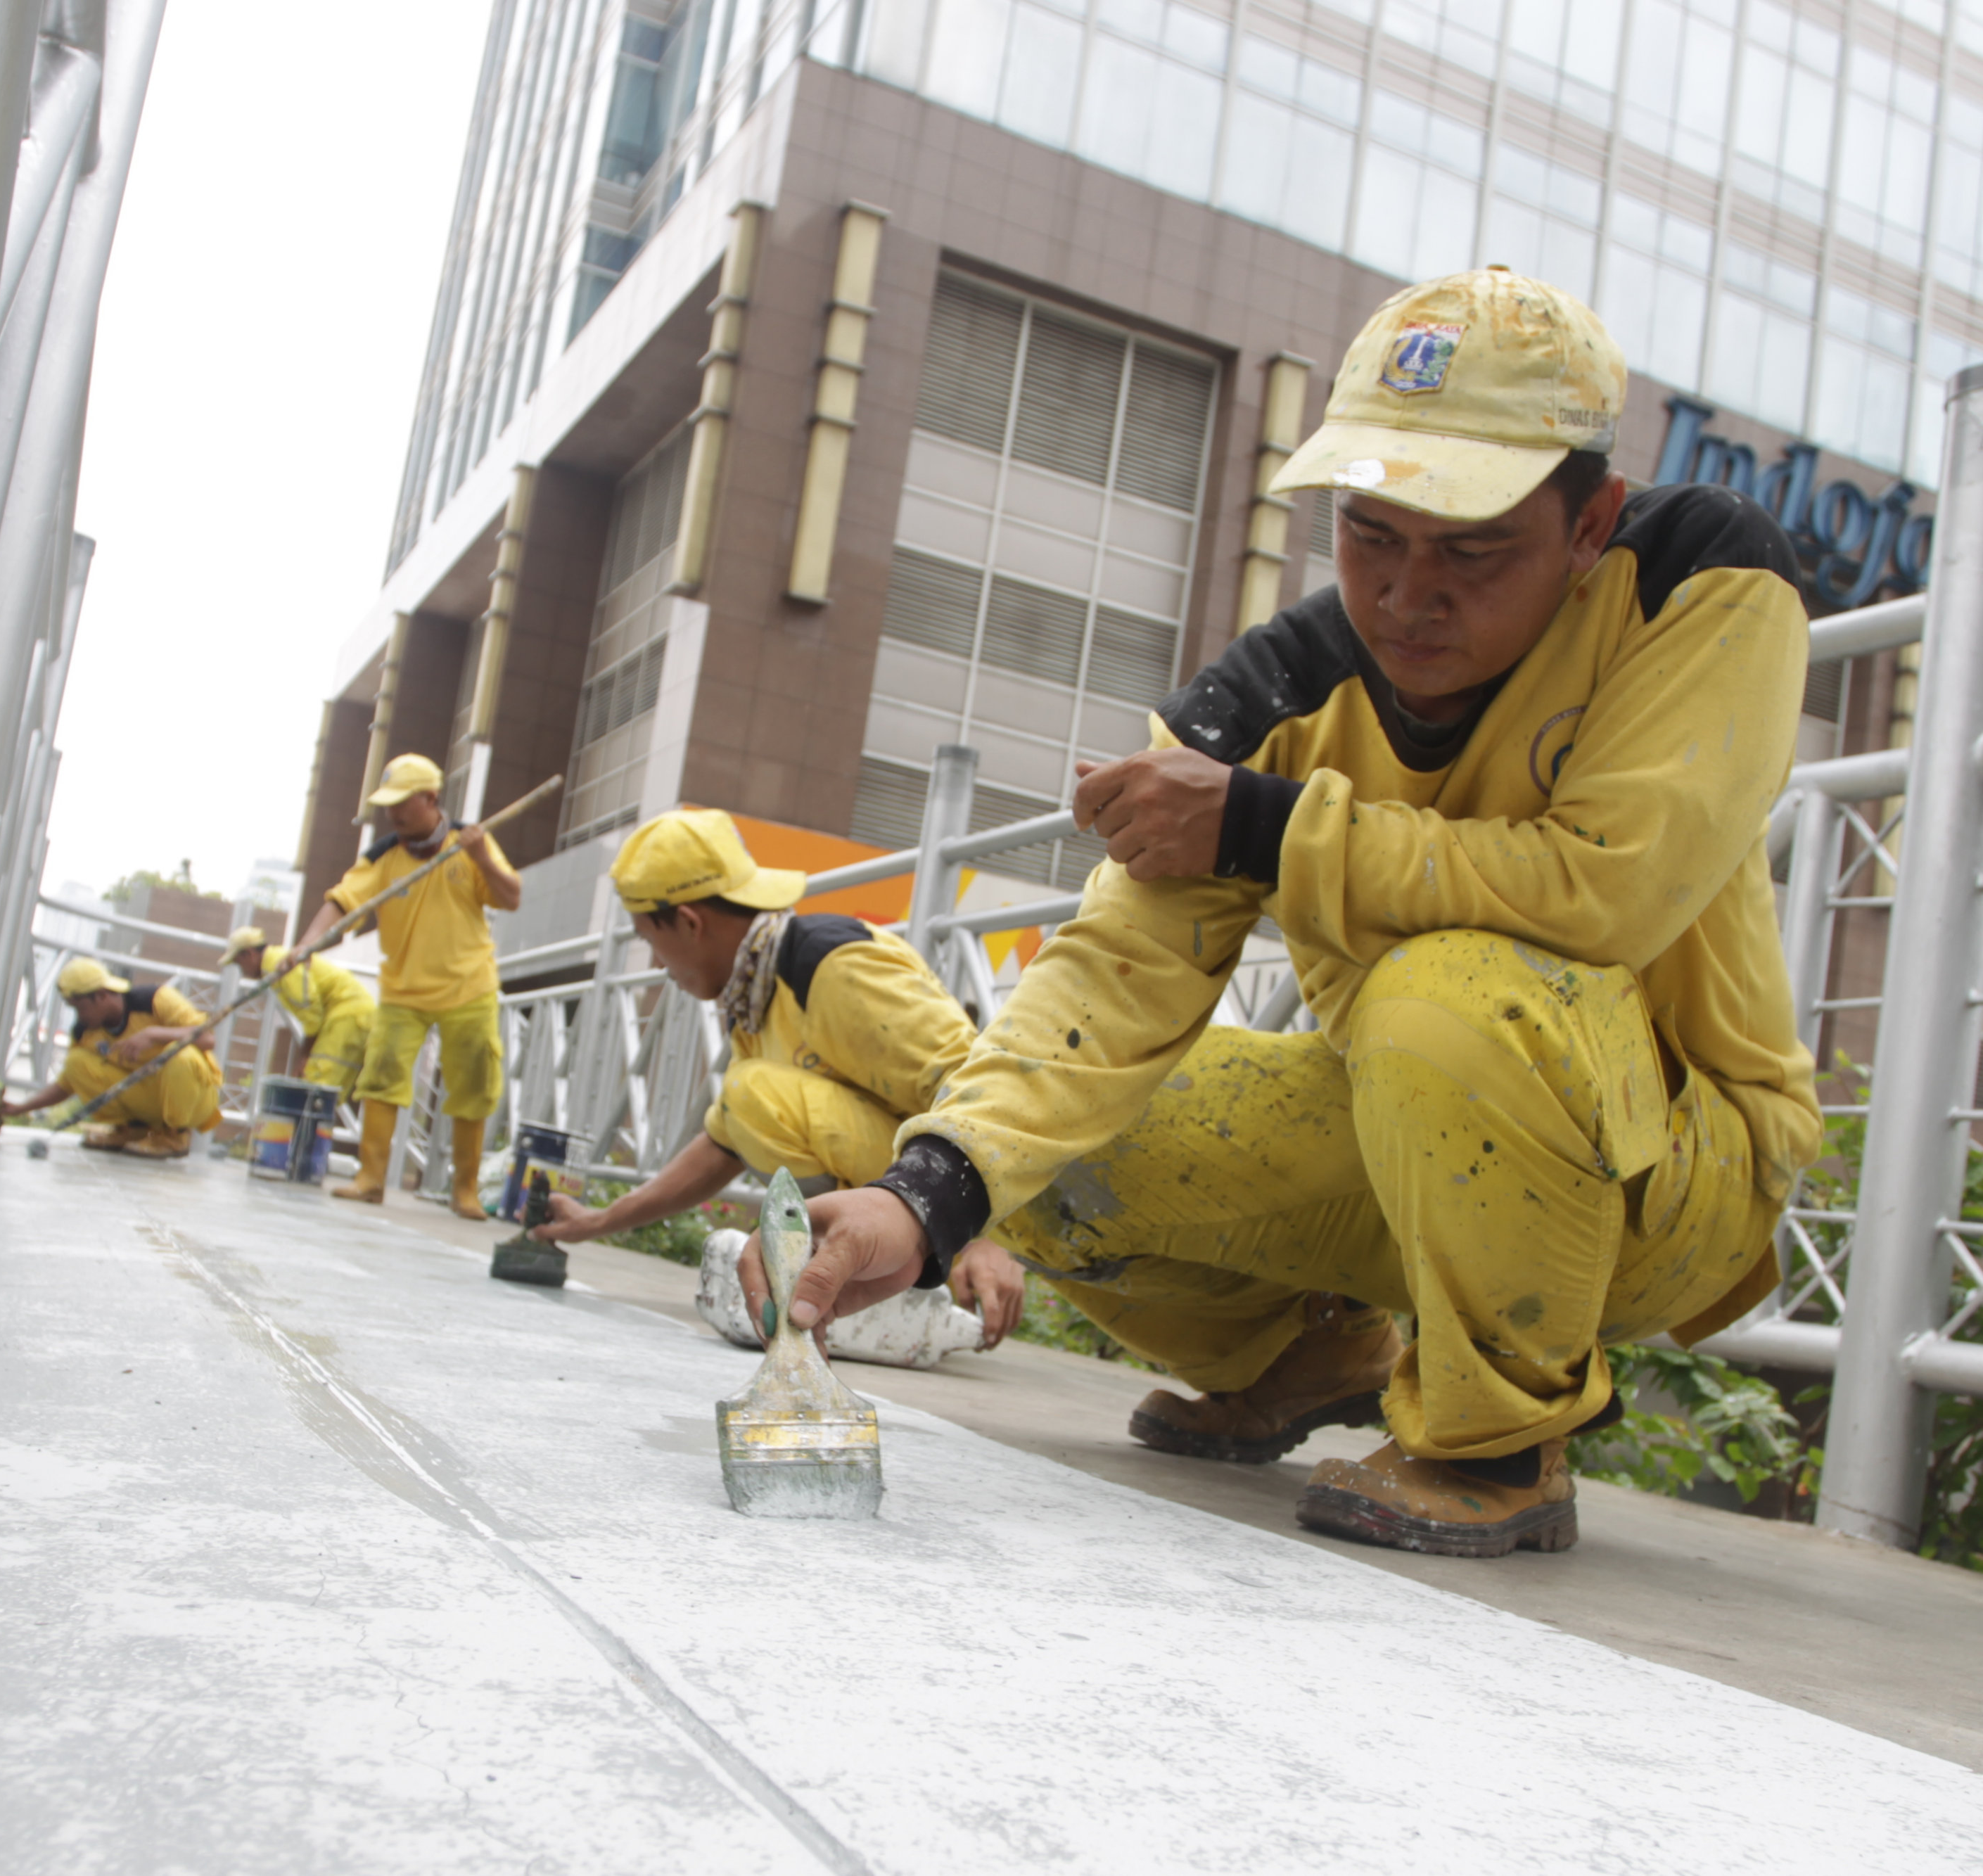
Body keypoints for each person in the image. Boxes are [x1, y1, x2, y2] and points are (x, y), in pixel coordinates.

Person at [759, 267, 1818, 1559]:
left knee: (1447, 994)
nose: (1408, 595)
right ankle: (1316, 1354)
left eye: (1474, 549)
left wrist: (1263, 824)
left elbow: (1606, 882)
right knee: (1041, 1158)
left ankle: (1494, 1443)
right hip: (1412, 1130)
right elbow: (1109, 985)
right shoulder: (1269, 703)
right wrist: (924, 1200)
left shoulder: (1699, 583)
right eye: (1370, 534)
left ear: (1591, 521)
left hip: (1674, 1169)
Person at [532, 808, 1027, 1348]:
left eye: (650, 936)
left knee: (751, 1093)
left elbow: (975, 1085)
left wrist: (981, 1237)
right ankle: (855, 1273)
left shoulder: (830, 964)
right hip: (925, 1206)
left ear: (690, 922)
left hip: (973, 1200)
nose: (656, 962)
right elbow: (722, 1142)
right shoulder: (755, 993)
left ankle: (872, 1275)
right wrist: (596, 1221)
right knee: (749, 1098)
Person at [295, 753, 521, 1218]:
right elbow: (342, 901)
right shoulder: (382, 857)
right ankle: (370, 1178)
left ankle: (465, 1189)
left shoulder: (470, 842)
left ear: (430, 798)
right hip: (403, 989)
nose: (393, 813)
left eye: (402, 802)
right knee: (380, 1077)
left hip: (469, 984)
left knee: (475, 1081)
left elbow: (511, 896)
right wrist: (305, 947)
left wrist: (482, 858)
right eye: (387, 804)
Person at [0, 956, 222, 1159]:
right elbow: (67, 1084)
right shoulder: (85, 1032)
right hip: (150, 1099)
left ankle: (176, 1136)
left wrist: (154, 1034)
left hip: (195, 1097)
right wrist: (21, 1108)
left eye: (82, 1007)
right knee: (78, 1062)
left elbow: (207, 1039)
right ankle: (133, 1130)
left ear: (102, 995)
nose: (80, 1016)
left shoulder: (156, 1000)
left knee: (180, 1053)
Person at [219, 924, 374, 1094]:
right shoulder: (277, 963)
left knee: (313, 1089)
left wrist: (304, 1056)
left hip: (347, 1016)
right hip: (350, 1016)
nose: (243, 971)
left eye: (239, 963)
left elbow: (312, 1015)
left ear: (249, 954)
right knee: (325, 1092)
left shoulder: (281, 966)